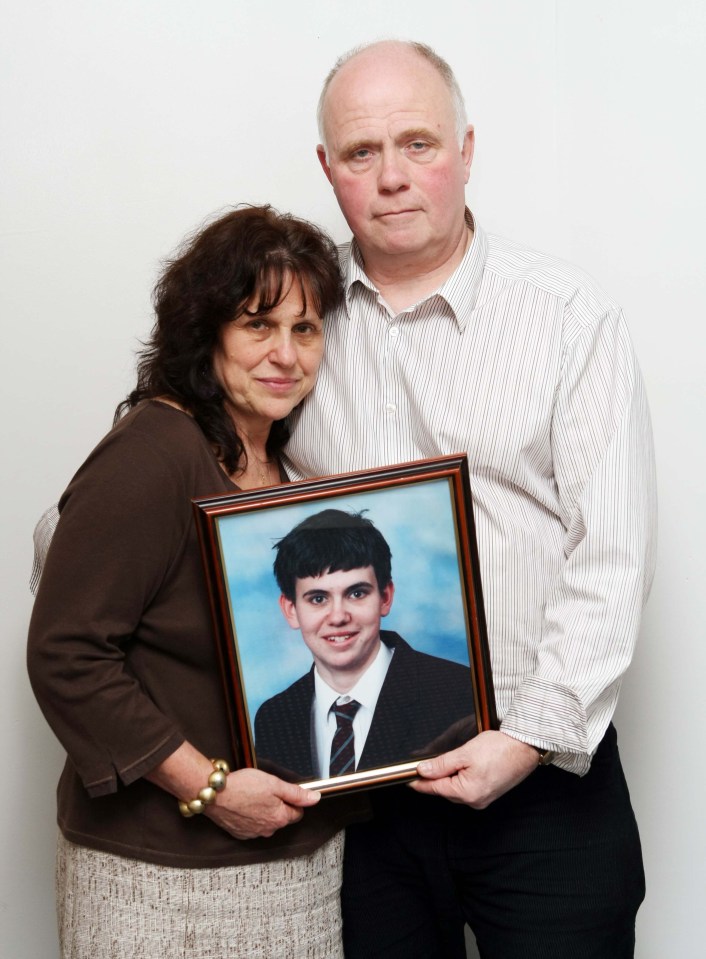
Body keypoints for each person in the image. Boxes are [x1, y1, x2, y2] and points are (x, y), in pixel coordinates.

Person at [282, 40, 657, 959]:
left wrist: (524, 741)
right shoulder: (287, 325)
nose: (393, 178)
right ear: (327, 170)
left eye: (419, 143)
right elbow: (203, 471)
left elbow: (612, 555)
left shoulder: (568, 317)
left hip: (544, 781)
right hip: (368, 800)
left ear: (467, 146)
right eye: (362, 154)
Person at [26, 205, 366, 959]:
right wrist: (208, 788)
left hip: (296, 871)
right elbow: (67, 652)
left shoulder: (289, 467)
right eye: (257, 325)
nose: (285, 354)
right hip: (155, 876)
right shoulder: (154, 451)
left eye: (305, 330)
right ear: (204, 331)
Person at [255, 508, 476, 781]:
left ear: (385, 597)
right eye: (318, 599)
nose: (338, 617)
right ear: (290, 610)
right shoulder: (273, 718)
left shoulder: (457, 691)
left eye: (356, 593)